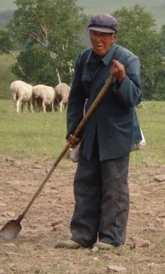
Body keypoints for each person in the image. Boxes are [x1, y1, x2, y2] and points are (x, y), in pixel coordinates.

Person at [56, 13, 142, 250]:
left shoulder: (127, 60)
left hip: (116, 134)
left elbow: (134, 97)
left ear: (113, 37)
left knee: (114, 187)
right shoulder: (84, 58)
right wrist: (73, 131)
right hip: (90, 131)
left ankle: (111, 238)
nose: (98, 39)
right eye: (94, 34)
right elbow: (75, 99)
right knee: (85, 183)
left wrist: (122, 78)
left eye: (104, 35)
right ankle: (81, 236)